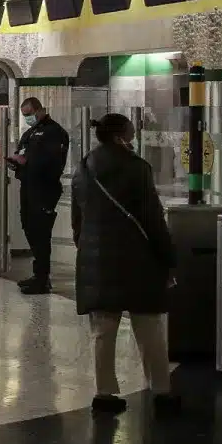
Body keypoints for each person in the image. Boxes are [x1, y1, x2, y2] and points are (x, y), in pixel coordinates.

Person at [73, 113, 179, 414]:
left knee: (103, 331)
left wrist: (87, 250)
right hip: (138, 259)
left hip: (96, 259)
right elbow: (153, 219)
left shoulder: (83, 168)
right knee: (149, 327)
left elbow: (77, 221)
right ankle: (161, 390)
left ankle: (104, 394)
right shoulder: (136, 168)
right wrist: (169, 258)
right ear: (122, 135)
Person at [8, 97, 70, 295]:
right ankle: (38, 275)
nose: (27, 118)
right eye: (24, 115)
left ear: (40, 110)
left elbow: (53, 163)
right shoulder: (29, 133)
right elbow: (22, 154)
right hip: (27, 187)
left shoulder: (55, 132)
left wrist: (27, 162)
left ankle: (42, 278)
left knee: (42, 232)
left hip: (45, 189)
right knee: (28, 226)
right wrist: (16, 163)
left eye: (29, 114)